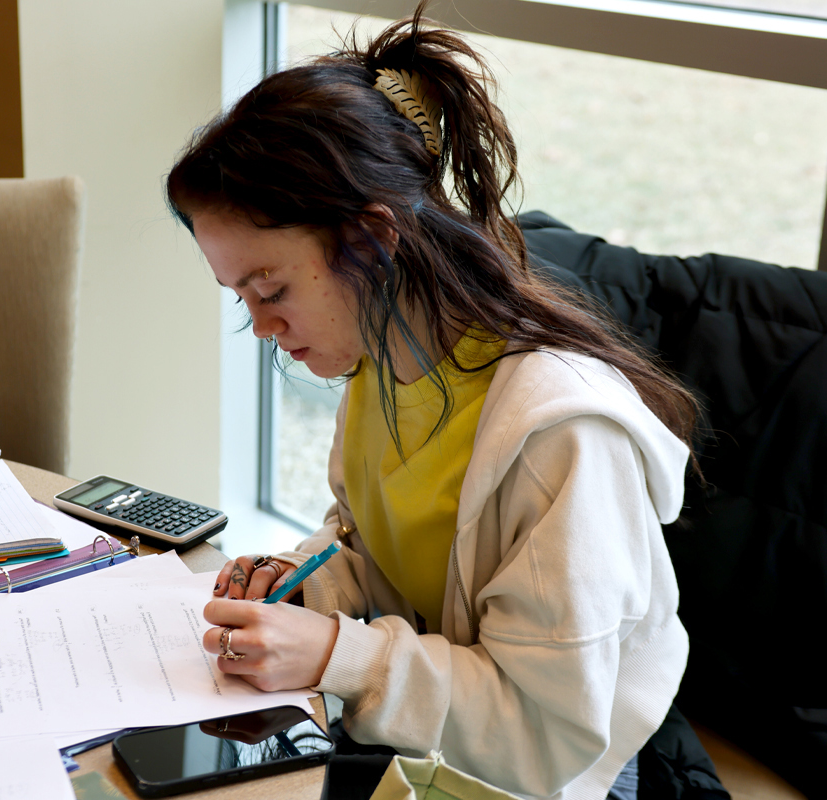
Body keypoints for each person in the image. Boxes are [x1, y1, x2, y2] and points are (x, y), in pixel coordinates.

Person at [167, 8, 704, 800]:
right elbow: (389, 558)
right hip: (433, 736)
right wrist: (311, 581)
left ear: (372, 240)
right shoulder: (381, 368)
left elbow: (539, 736)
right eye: (242, 296)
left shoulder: (562, 440)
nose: (262, 326)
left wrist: (332, 654)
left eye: (271, 287)